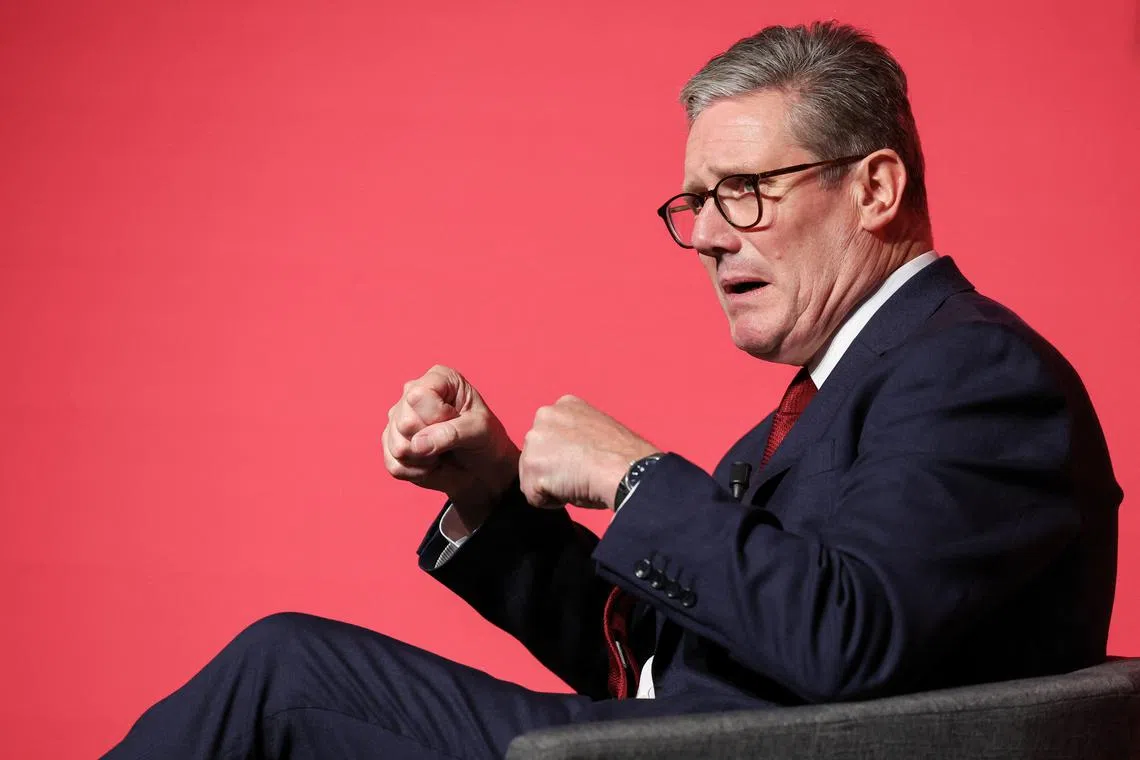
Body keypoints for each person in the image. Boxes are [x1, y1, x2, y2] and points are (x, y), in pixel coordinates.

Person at [102, 20, 1122, 760]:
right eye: (697, 203)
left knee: (285, 671)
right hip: (675, 740)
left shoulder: (975, 372)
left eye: (746, 193)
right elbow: (651, 660)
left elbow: (849, 641)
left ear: (875, 188)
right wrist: (496, 494)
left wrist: (634, 475)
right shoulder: (846, 388)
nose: (712, 235)